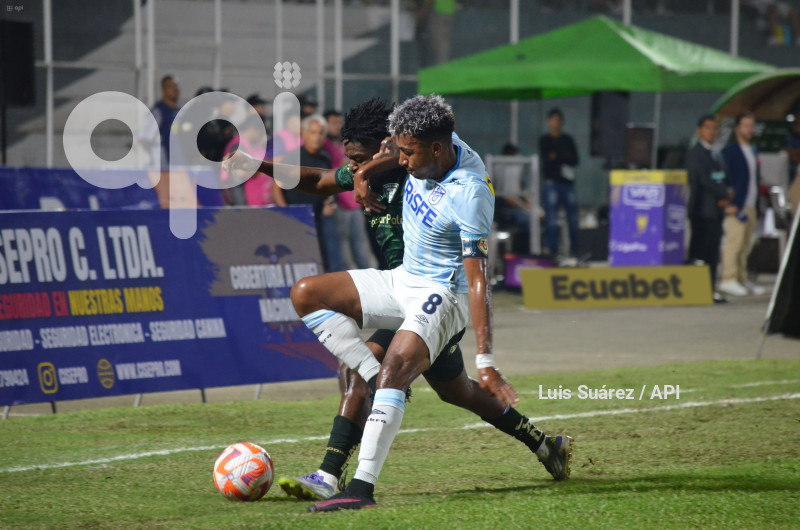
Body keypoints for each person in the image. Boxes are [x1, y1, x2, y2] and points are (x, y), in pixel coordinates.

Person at [222, 97, 573, 511]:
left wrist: (487, 358)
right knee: (457, 392)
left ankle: (344, 482)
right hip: (400, 285)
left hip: (440, 297)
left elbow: (478, 279)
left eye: (363, 159)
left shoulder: (455, 182)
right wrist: (268, 166)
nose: (355, 167)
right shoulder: (403, 154)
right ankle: (546, 445)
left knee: (377, 367)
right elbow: (320, 180)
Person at [272, 114, 345, 272]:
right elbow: (276, 187)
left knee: (325, 259)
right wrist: (286, 211)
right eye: (313, 132)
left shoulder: (325, 159)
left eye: (320, 133)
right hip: (296, 218)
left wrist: (327, 204)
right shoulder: (292, 157)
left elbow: (327, 187)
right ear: (303, 134)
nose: (317, 137)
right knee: (297, 261)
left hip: (318, 218)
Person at [685, 115, 733, 304]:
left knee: (713, 252)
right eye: (708, 128)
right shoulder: (695, 153)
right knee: (700, 252)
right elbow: (703, 180)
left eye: (715, 128)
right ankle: (696, 291)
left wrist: (727, 193)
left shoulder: (716, 154)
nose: (712, 132)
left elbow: (722, 177)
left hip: (716, 210)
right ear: (699, 131)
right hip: (702, 211)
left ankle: (710, 289)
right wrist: (723, 194)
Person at [719, 113, 766, 297]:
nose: (749, 129)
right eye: (746, 126)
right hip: (736, 204)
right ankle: (728, 279)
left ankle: (741, 278)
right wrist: (728, 202)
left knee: (746, 244)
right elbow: (724, 178)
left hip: (751, 203)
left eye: (751, 126)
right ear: (737, 128)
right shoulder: (730, 151)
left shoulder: (753, 149)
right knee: (734, 242)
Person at [539, 107, 580, 258]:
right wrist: (562, 156)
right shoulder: (545, 140)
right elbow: (547, 161)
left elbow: (574, 160)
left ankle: (575, 251)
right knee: (552, 220)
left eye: (558, 120)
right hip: (551, 183)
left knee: (573, 219)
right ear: (549, 122)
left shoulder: (568, 139)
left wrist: (557, 156)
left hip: (567, 183)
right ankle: (553, 252)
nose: (556, 123)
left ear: (562, 122)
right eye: (553, 120)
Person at [220, 114, 273, 207]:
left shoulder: (254, 145)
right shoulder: (238, 146)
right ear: (252, 128)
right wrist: (241, 207)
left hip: (259, 201)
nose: (261, 136)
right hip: (245, 201)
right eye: (261, 132)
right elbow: (235, 180)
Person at [138, 74, 181, 168]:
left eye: (176, 86)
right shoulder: (159, 111)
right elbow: (144, 137)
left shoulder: (180, 112)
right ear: (164, 90)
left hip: (179, 163)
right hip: (163, 164)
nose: (175, 89)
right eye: (170, 86)